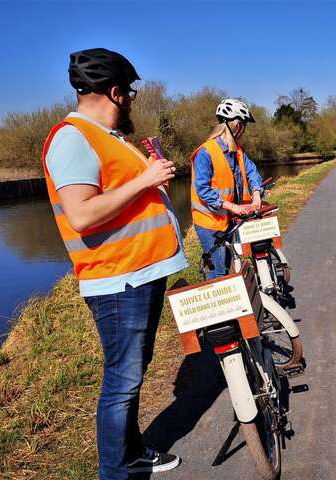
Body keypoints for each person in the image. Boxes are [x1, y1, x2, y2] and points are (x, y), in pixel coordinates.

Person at [41, 48, 186, 479]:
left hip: (138, 274)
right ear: (117, 93)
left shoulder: (109, 138)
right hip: (118, 282)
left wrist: (147, 177)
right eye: (132, 94)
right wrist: (145, 179)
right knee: (121, 383)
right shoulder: (72, 137)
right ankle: (115, 472)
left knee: (132, 376)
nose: (133, 102)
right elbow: (82, 214)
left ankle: (132, 452)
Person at [190, 98, 264, 278]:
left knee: (230, 264)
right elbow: (203, 189)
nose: (244, 131)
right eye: (244, 126)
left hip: (229, 220)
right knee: (219, 272)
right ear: (237, 126)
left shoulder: (238, 151)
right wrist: (232, 207)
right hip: (210, 223)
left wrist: (256, 194)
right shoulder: (206, 152)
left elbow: (253, 172)